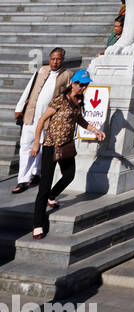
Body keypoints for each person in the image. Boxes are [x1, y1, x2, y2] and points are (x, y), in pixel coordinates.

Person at [29, 70, 105, 239]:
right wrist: (36, 143)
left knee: (69, 175)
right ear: (73, 83)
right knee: (44, 186)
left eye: (85, 85)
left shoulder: (79, 101)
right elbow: (42, 120)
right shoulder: (59, 100)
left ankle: (52, 195)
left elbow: (79, 120)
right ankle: (38, 224)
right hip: (51, 146)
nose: (82, 88)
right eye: (80, 84)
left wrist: (95, 131)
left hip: (67, 146)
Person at [12, 48, 72, 194]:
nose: (55, 62)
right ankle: (23, 180)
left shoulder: (67, 75)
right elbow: (29, 89)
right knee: (26, 146)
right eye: (52, 58)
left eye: (58, 59)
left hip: (49, 119)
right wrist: (19, 107)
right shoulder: (41, 71)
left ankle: (35, 174)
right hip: (31, 115)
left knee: (40, 147)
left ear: (62, 60)